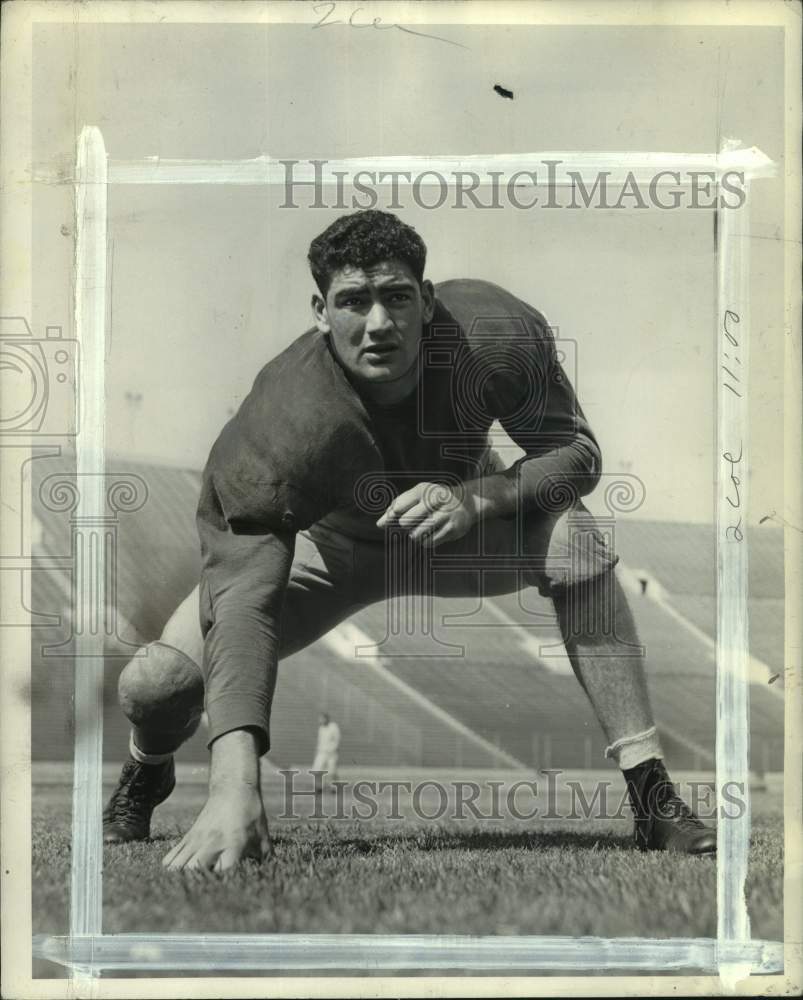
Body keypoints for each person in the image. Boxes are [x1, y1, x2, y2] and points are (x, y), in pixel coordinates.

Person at [102, 209, 716, 871]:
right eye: (353, 301)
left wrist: (479, 497)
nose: (378, 323)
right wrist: (233, 787)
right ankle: (148, 769)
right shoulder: (280, 417)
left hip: (458, 527)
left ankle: (652, 794)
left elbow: (576, 453)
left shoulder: (489, 332)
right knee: (157, 682)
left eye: (395, 296)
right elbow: (243, 598)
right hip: (330, 550)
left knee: (575, 539)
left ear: (425, 299)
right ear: (320, 312)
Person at [311, 712, 341, 791]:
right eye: (320, 719)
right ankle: (319, 787)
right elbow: (320, 741)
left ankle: (334, 788)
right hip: (322, 752)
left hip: (332, 753)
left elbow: (337, 739)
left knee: (332, 771)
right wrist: (317, 751)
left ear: (326, 719)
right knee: (317, 769)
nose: (320, 720)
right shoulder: (321, 728)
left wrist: (333, 749)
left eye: (322, 719)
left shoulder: (334, 727)